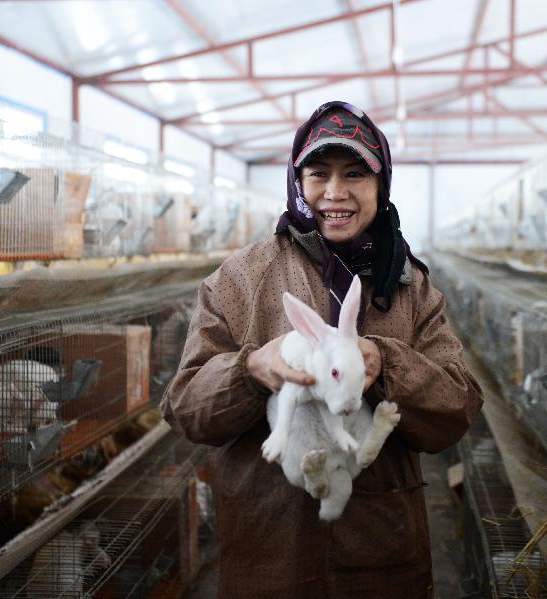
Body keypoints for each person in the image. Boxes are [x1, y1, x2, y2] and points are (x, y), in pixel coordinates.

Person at [162, 100, 483, 599]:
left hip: (380, 549)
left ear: (381, 185)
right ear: (297, 182)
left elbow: (458, 409)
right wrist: (247, 371)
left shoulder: (409, 286)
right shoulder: (240, 280)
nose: (336, 193)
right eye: (318, 174)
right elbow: (185, 408)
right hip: (270, 551)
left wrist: (388, 362)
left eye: (355, 173)